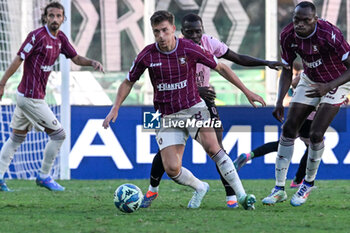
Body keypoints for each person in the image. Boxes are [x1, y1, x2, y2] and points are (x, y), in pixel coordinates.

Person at [103, 11, 256, 210]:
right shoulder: (147, 55)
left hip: (194, 108)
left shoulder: (189, 48)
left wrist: (247, 91)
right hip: (167, 116)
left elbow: (221, 68)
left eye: (164, 30)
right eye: (156, 31)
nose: (161, 35)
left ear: (173, 30)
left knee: (213, 147)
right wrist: (115, 108)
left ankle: (242, 196)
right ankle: (200, 187)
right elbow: (128, 81)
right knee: (172, 169)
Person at [139, 13, 286, 209]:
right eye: (189, 32)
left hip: (203, 102)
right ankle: (152, 189)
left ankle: (232, 196)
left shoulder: (209, 43)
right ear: (181, 32)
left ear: (203, 31)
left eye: (198, 32)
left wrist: (265, 63)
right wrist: (195, 89)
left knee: (217, 147)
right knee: (164, 149)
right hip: (170, 104)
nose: (194, 36)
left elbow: (236, 58)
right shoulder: (173, 47)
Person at [0, 1, 104, 192]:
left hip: (30, 97)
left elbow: (75, 58)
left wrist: (92, 62)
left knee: (16, 138)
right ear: (45, 17)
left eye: (58, 16)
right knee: (59, 135)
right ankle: (44, 176)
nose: (55, 19)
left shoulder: (61, 38)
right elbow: (18, 58)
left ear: (63, 19)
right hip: (30, 97)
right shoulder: (37, 36)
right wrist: (2, 82)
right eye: (51, 15)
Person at [262, 1, 350, 207]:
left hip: (336, 81)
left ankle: (307, 183)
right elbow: (286, 69)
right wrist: (279, 100)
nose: (300, 24)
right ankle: (278, 189)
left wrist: (328, 86)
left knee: (316, 134)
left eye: (306, 20)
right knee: (289, 128)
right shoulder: (287, 35)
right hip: (310, 80)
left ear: (315, 20)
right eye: (296, 19)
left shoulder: (330, 34)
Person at [235, 62, 309, 188]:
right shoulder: (312, 73)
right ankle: (297, 180)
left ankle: (248, 156)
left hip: (296, 114)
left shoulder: (303, 76)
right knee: (313, 147)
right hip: (308, 115)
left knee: (281, 144)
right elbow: (293, 86)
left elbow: (294, 84)